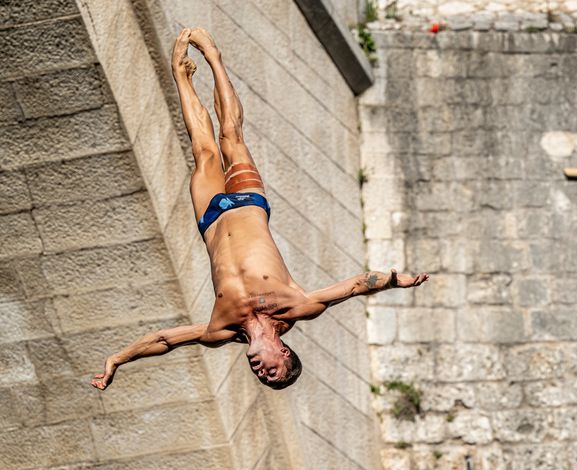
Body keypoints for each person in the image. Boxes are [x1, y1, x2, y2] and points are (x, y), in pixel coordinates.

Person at [91, 28, 427, 391]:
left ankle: (180, 76)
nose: (260, 371)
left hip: (211, 218)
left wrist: (118, 359)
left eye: (261, 377)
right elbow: (356, 285)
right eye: (271, 371)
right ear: (284, 353)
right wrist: (393, 282)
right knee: (231, 135)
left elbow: (165, 340)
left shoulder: (219, 329)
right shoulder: (296, 306)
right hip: (250, 204)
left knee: (202, 150)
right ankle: (214, 57)